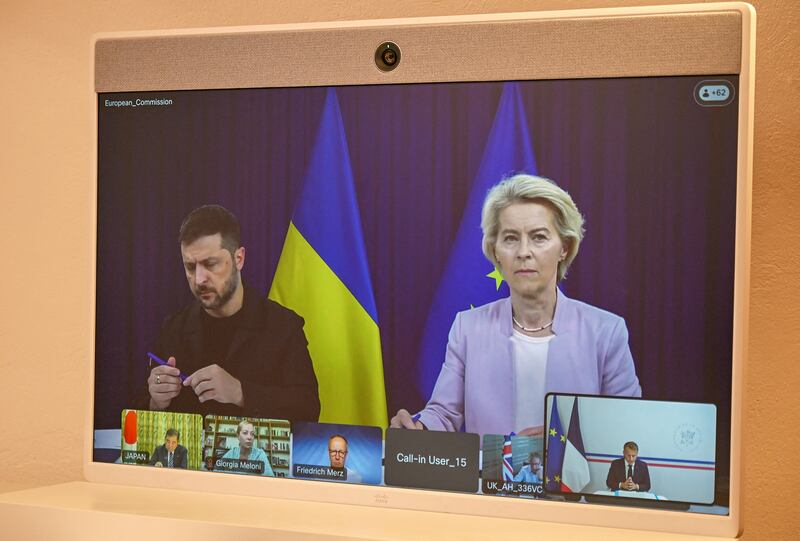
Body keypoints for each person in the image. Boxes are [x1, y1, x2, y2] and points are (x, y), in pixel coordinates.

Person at [390, 174, 641, 436]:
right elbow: (443, 414)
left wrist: (564, 441)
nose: (523, 252)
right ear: (496, 250)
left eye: (539, 237)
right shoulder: (468, 328)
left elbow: (628, 427)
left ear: (564, 247)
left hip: (576, 478)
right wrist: (418, 427)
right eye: (510, 238)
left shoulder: (606, 332)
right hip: (490, 476)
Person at [140, 205, 320, 422]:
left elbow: (308, 409)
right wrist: (155, 402)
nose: (199, 279)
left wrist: (241, 393)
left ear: (239, 259)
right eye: (190, 267)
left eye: (210, 264)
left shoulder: (283, 327)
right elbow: (139, 413)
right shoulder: (174, 328)